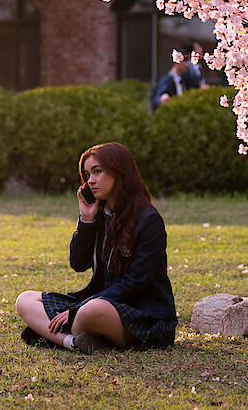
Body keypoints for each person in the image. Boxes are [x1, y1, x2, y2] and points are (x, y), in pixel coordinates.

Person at [15, 142, 178, 354]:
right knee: (25, 300)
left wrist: (77, 310)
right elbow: (78, 264)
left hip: (144, 315)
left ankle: (56, 334)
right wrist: (86, 220)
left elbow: (135, 284)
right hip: (103, 302)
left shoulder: (149, 220)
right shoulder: (99, 214)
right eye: (87, 174)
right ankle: (73, 342)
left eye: (97, 172)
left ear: (119, 171)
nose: (90, 180)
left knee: (90, 311)